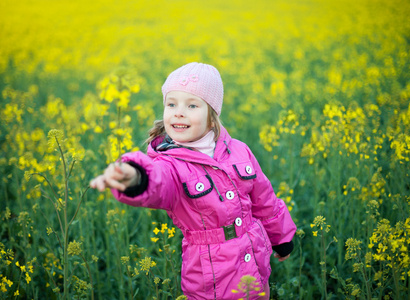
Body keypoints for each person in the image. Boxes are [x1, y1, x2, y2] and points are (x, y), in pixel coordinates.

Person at [90, 62, 297, 299]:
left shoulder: (239, 150)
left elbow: (264, 198)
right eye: (171, 104)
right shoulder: (170, 164)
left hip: (255, 260)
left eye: (191, 105)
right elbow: (159, 184)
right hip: (210, 273)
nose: (179, 112)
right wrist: (135, 176)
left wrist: (281, 237)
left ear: (211, 117)